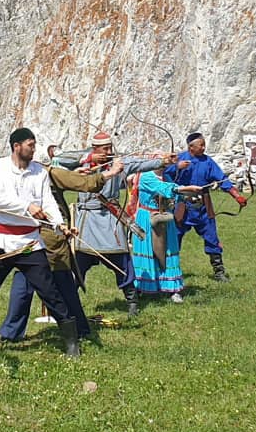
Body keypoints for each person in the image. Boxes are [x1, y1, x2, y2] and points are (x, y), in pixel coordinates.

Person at [0, 127, 82, 359]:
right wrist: (27, 206)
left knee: (50, 292)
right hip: (2, 242)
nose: (33, 148)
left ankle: (71, 342)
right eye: (30, 144)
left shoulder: (39, 171)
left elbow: (48, 202)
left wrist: (60, 225)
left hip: (30, 243)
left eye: (34, 144)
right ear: (16, 146)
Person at [0, 152, 122, 342]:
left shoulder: (18, 175)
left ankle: (11, 332)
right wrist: (112, 172)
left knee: (24, 281)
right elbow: (86, 183)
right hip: (49, 238)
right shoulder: (47, 173)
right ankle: (78, 328)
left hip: (25, 237)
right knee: (63, 283)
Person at [70, 130, 173, 318]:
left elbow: (140, 163)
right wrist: (90, 157)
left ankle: (132, 300)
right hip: (87, 221)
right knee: (77, 266)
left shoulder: (118, 164)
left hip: (110, 219)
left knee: (122, 262)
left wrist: (162, 162)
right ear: (94, 149)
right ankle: (69, 303)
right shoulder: (82, 161)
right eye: (103, 149)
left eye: (110, 147)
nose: (108, 151)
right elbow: (58, 160)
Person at [166, 132, 246, 283]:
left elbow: (223, 180)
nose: (203, 147)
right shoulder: (179, 158)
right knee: (174, 238)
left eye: (204, 145)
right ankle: (170, 272)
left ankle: (219, 272)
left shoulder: (208, 161)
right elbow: (162, 173)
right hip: (182, 204)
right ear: (191, 147)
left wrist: (237, 196)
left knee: (212, 237)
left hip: (203, 205)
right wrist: (176, 166)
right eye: (200, 145)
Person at [130, 169, 203, 301]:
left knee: (169, 251)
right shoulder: (146, 177)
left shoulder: (167, 176)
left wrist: (190, 196)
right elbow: (164, 189)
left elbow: (175, 195)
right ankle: (142, 287)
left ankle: (173, 289)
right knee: (147, 251)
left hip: (166, 218)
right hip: (146, 218)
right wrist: (186, 188)